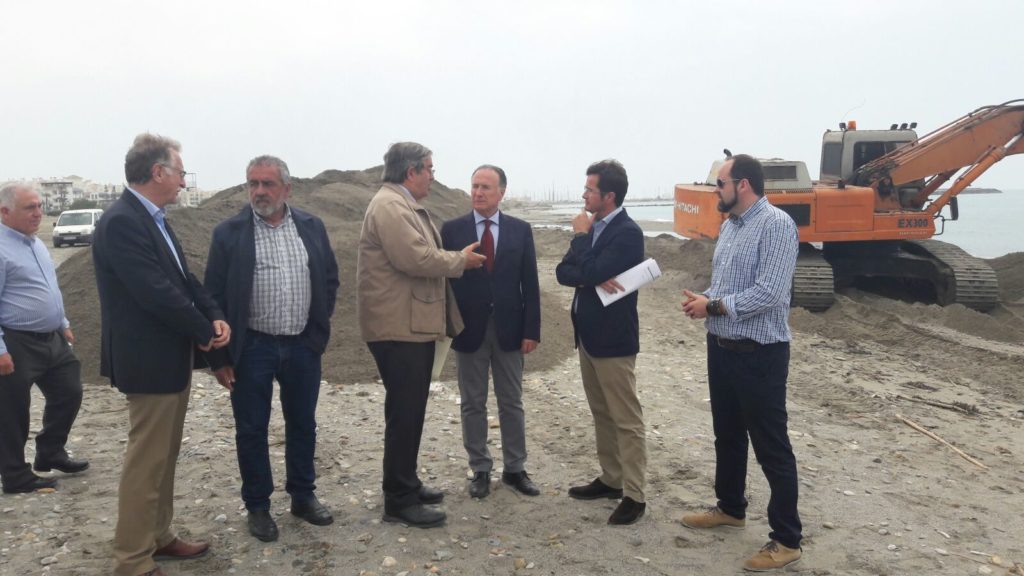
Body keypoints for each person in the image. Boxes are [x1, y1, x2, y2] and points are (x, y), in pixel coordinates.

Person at [93, 134, 231, 576]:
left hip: (169, 359)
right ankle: (132, 559)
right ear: (158, 172)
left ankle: (159, 535)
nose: (184, 182)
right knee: (146, 461)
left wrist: (213, 315)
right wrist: (202, 332)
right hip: (148, 362)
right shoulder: (122, 222)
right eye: (180, 173)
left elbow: (184, 280)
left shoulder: (153, 219)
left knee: (164, 456)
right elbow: (153, 291)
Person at [204, 155, 339, 542]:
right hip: (252, 348)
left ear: (287, 189)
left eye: (268, 184)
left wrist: (317, 330)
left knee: (303, 424)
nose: (259, 191)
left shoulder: (311, 226)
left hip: (302, 345)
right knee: (251, 429)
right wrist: (219, 358)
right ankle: (258, 506)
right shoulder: (229, 233)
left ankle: (303, 495)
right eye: (253, 183)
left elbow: (329, 279)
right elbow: (212, 297)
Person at [681, 154, 803, 572]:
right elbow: (727, 286)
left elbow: (770, 292)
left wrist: (713, 306)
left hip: (760, 354)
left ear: (743, 185)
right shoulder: (730, 226)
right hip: (722, 348)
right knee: (728, 436)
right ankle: (730, 508)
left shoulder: (776, 225)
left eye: (721, 183)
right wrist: (705, 300)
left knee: (772, 446)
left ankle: (787, 540)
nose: (716, 190)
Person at [357, 142, 486, 528]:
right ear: (410, 171)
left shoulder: (399, 204)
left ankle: (406, 484)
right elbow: (415, 258)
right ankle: (399, 500)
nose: (433, 175)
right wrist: (461, 260)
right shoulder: (390, 206)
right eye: (429, 168)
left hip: (408, 323)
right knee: (405, 412)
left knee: (409, 409)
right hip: (398, 326)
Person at [555, 159, 647, 525]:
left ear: (608, 196)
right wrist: (590, 275)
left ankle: (635, 495)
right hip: (587, 337)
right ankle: (611, 479)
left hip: (614, 340)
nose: (583, 195)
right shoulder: (592, 227)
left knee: (626, 419)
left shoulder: (628, 233)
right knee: (601, 413)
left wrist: (582, 244)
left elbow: (591, 268)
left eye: (589, 189)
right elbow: (563, 272)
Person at [440, 165, 541, 499]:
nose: (478, 192)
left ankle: (515, 468)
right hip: (469, 330)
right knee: (473, 402)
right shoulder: (452, 230)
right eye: (474, 186)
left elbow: (530, 283)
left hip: (511, 329)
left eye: (485, 187)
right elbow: (443, 281)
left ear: (501, 192)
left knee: (511, 401)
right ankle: (480, 468)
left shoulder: (520, 230)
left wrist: (532, 329)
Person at [0, 183, 88, 495]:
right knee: (13, 410)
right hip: (16, 341)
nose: (38, 213)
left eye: (39, 206)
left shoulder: (36, 243)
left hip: (52, 338)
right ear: (4, 212)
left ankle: (50, 451)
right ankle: (15, 475)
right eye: (30, 208)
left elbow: (49, 286)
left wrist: (62, 322)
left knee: (69, 390)